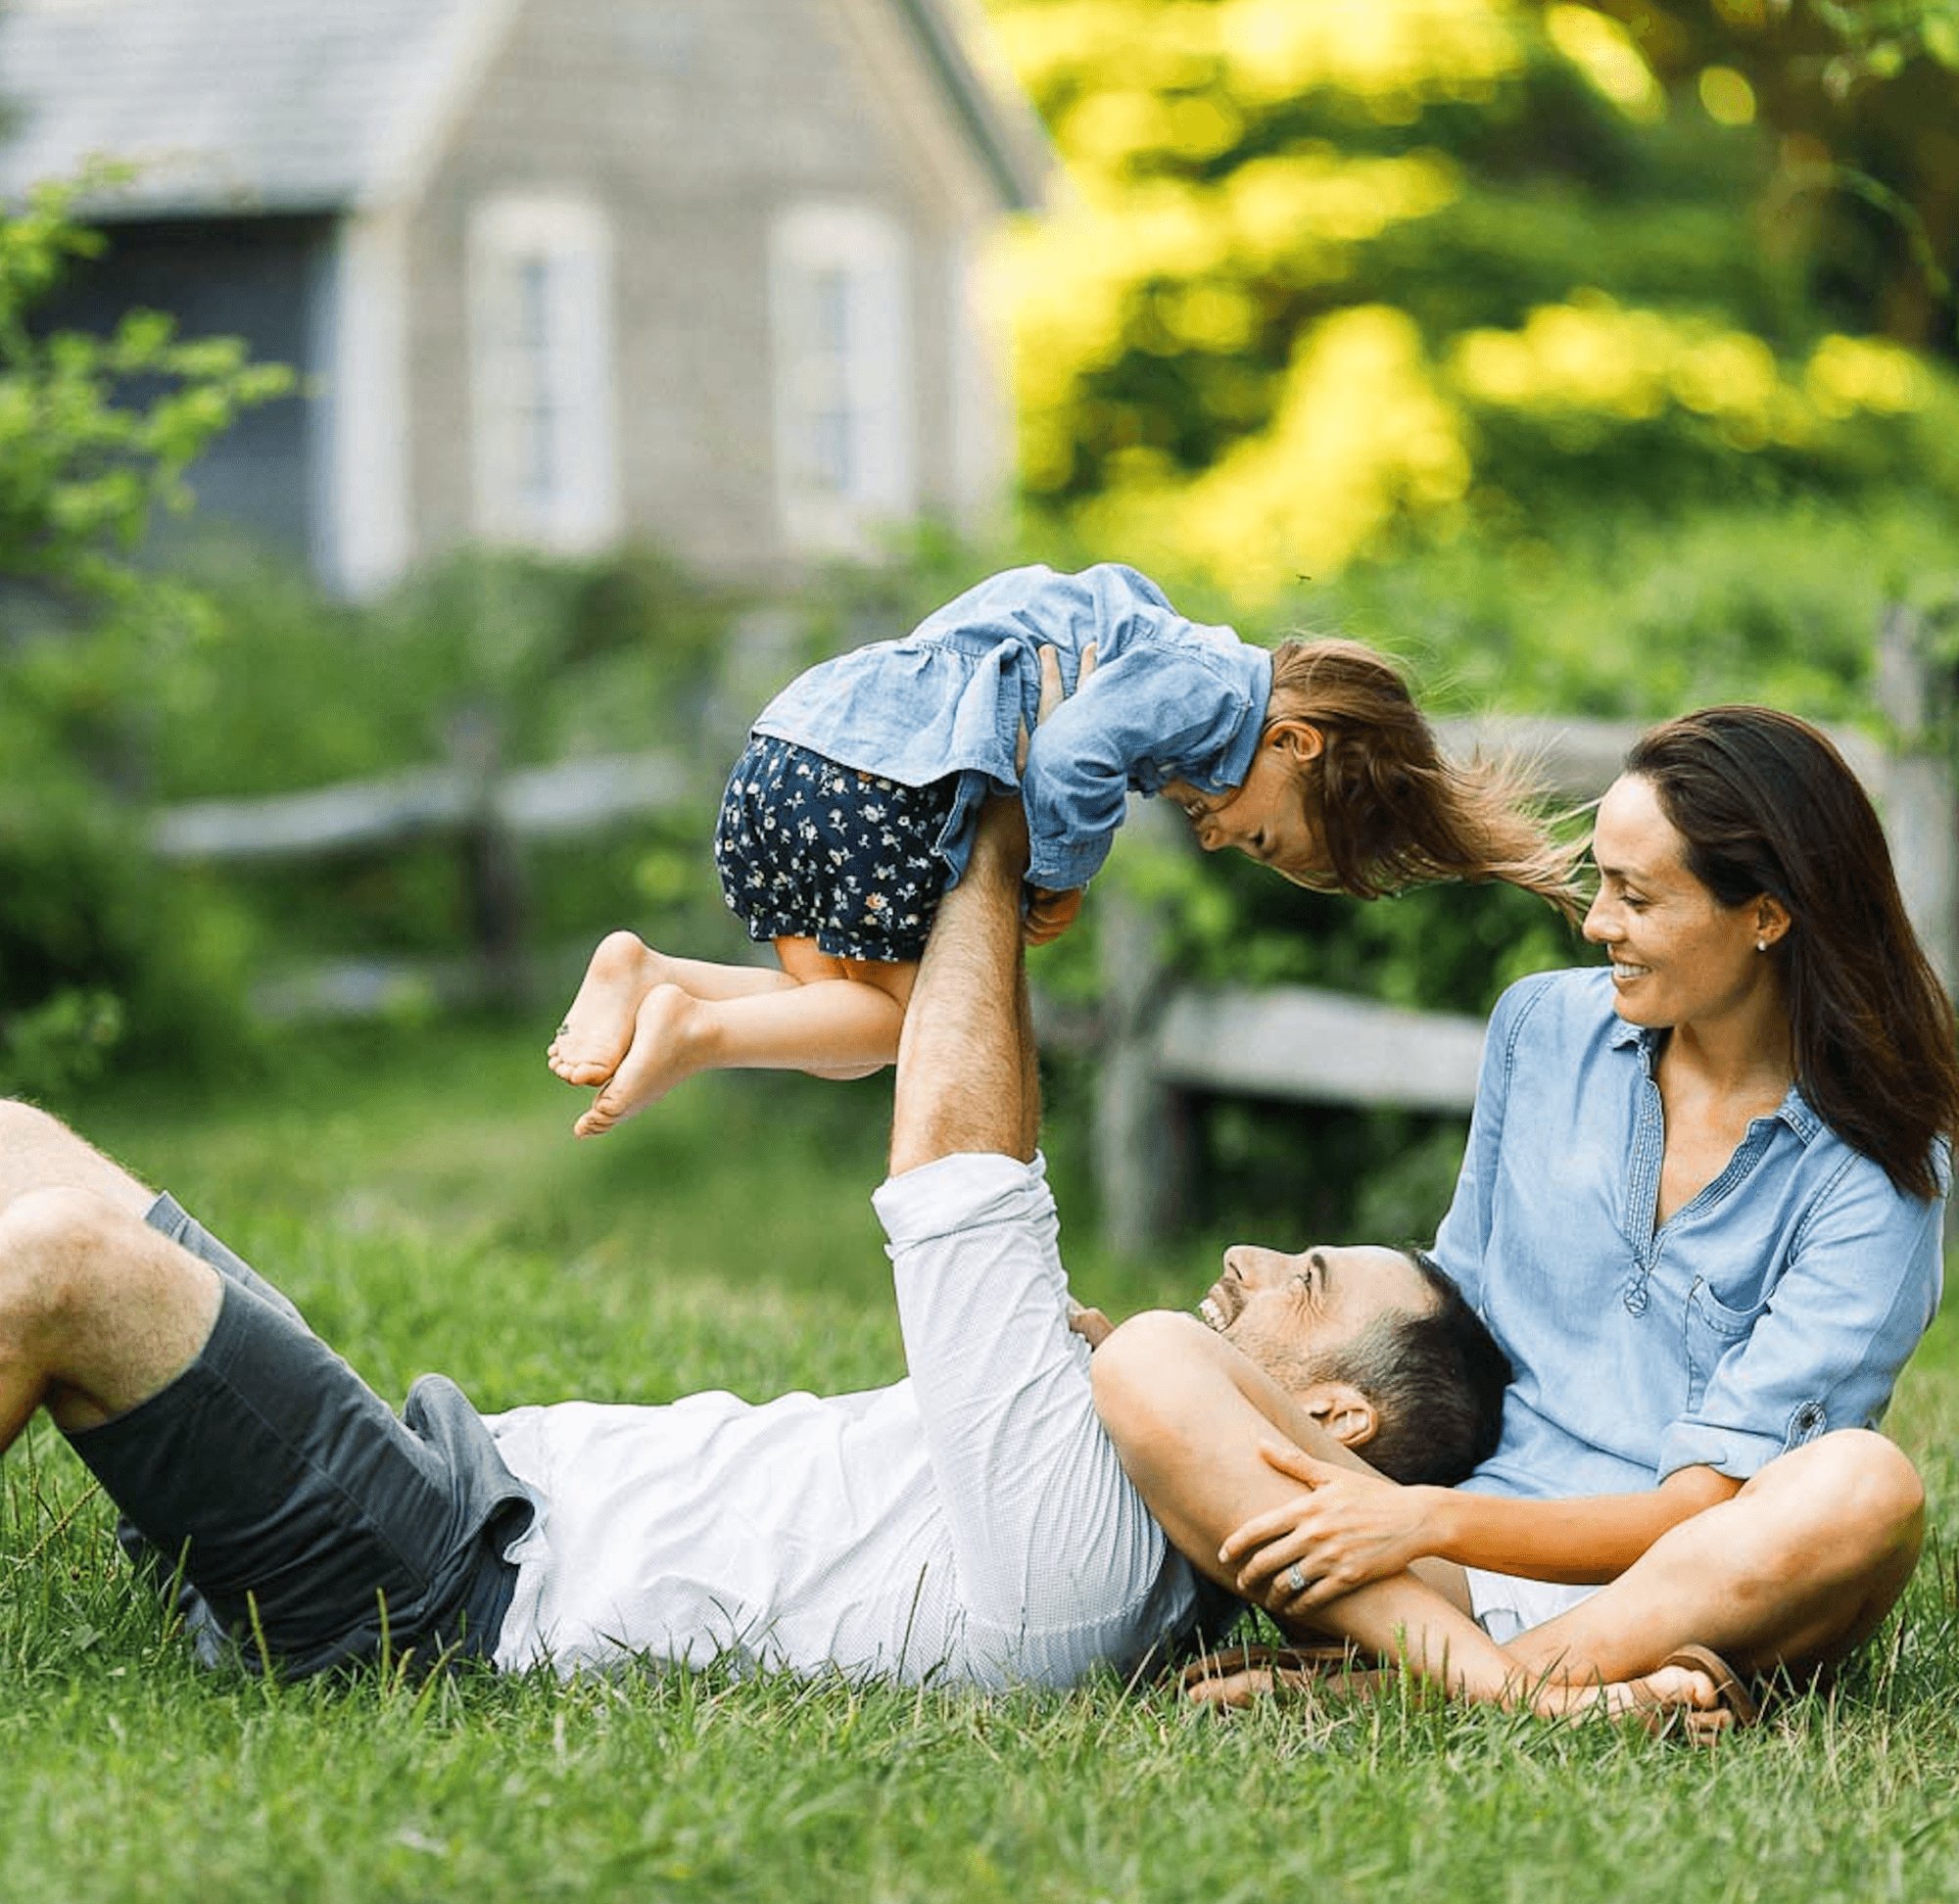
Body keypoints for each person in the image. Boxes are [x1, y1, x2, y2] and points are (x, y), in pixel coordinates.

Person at [0, 797, 1594, 1700]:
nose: (1247, 1258)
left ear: (1334, 1423)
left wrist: (990, 830)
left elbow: (961, 1170)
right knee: (21, 1139)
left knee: (61, 1257)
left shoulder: (1087, 1557)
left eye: (1306, 1285)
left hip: (416, 1597)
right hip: (423, 1482)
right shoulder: (1101, 1444)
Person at [1092, 704, 1957, 1719]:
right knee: (1146, 1356)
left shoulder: (1874, 1173)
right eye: (1599, 881)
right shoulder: (1543, 1028)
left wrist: (1419, 1520)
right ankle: (1510, 1691)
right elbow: (1455, 1318)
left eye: (1634, 896)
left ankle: (1410, 1689)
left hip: (1695, 1587)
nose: (1596, 922)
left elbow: (1700, 1510)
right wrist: (1249, 1380)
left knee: (1864, 1487)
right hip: (1426, 1575)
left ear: (1764, 913)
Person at [548, 560, 1583, 1135]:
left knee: (850, 1034)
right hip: (873, 779)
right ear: (1293, 742)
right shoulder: (1206, 682)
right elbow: (1074, 752)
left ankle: (647, 977)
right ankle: (692, 1033)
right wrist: (1058, 872)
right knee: (893, 1032)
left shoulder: (1135, 630)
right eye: (1260, 831)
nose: (1221, 839)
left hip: (794, 747)